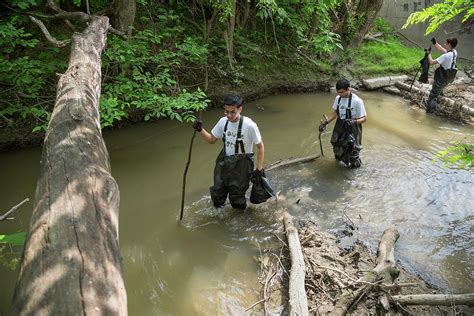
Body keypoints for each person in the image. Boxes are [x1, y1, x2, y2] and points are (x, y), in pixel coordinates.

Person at [192, 92, 265, 210]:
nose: (229, 115)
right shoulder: (223, 122)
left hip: (242, 165)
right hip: (224, 160)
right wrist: (200, 130)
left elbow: (260, 147)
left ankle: (239, 218)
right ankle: (218, 216)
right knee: (218, 192)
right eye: (226, 111)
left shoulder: (250, 125)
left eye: (233, 112)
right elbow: (211, 140)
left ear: (240, 109)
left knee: (237, 197)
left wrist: (259, 170)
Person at [319, 79, 367, 168]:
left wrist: (354, 121)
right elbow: (336, 112)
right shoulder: (338, 98)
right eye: (338, 92)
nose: (339, 94)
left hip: (353, 128)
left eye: (342, 92)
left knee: (353, 151)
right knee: (337, 147)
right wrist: (326, 122)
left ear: (348, 89)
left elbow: (364, 119)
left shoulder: (357, 101)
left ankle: (354, 171)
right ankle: (337, 168)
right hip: (340, 126)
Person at [426, 37, 458, 113]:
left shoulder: (446, 56)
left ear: (449, 44)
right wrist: (435, 43)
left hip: (442, 77)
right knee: (440, 88)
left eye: (446, 43)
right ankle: (440, 101)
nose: (444, 44)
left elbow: (431, 62)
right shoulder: (454, 52)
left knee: (433, 96)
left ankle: (430, 114)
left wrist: (428, 54)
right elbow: (442, 49)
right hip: (450, 76)